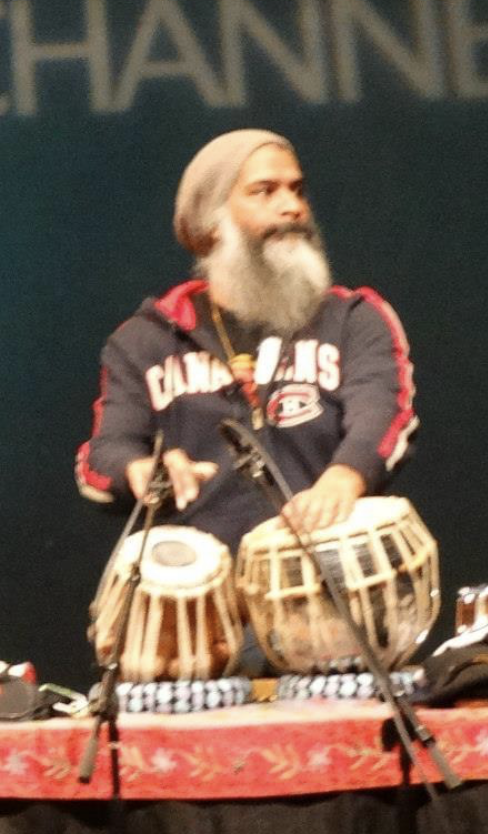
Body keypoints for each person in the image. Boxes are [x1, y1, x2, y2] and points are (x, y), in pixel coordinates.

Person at [75, 128, 416, 551]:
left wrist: (344, 478)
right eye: (264, 191)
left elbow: (384, 414)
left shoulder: (351, 319)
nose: (292, 206)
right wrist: (139, 470)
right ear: (211, 219)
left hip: (332, 564)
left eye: (297, 190)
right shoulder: (146, 341)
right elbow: (103, 454)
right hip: (206, 579)